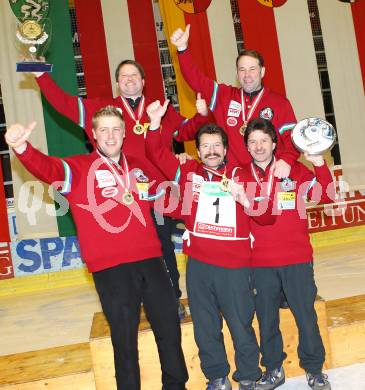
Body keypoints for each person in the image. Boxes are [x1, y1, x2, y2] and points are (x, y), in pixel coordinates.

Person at [5, 106, 188, 390]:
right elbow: (47, 167)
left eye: (116, 128)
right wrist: (22, 147)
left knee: (169, 328)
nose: (111, 135)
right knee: (124, 340)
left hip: (151, 260)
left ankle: (176, 386)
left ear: (125, 133)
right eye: (104, 129)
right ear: (93, 134)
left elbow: (167, 201)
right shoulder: (77, 168)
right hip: (110, 268)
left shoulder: (137, 168)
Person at [32, 60, 208, 314]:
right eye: (123, 76)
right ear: (117, 83)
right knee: (127, 255)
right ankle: (133, 305)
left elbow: (186, 132)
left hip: (158, 196)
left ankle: (170, 301)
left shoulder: (159, 109)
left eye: (134, 75)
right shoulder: (104, 111)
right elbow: (64, 104)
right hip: (121, 197)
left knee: (162, 250)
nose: (129, 79)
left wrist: (202, 115)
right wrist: (41, 76)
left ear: (143, 82)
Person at [145, 99, 276, 390]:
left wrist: (245, 199)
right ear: (198, 150)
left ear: (226, 149)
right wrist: (154, 125)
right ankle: (217, 376)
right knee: (205, 327)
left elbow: (266, 216)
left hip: (235, 266)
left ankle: (248, 376)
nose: (212, 151)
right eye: (205, 146)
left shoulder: (243, 174)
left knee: (241, 324)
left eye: (217, 145)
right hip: (200, 265)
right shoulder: (189, 173)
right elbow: (155, 152)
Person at [244, 118, 334, 390]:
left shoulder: (294, 169)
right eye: (253, 142)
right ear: (247, 146)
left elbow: (325, 196)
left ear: (274, 143)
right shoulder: (241, 176)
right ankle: (273, 369)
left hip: (296, 258)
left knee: (306, 316)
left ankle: (315, 370)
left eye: (264, 141)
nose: (259, 146)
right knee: (267, 319)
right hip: (260, 262)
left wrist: (318, 163)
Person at [169, 25, 300, 179]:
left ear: (262, 71)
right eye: (242, 70)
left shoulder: (279, 103)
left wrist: (287, 160)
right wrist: (183, 49)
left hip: (269, 178)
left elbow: (294, 138)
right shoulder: (224, 96)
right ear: (237, 74)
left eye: (252, 69)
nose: (247, 75)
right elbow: (196, 79)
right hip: (233, 180)